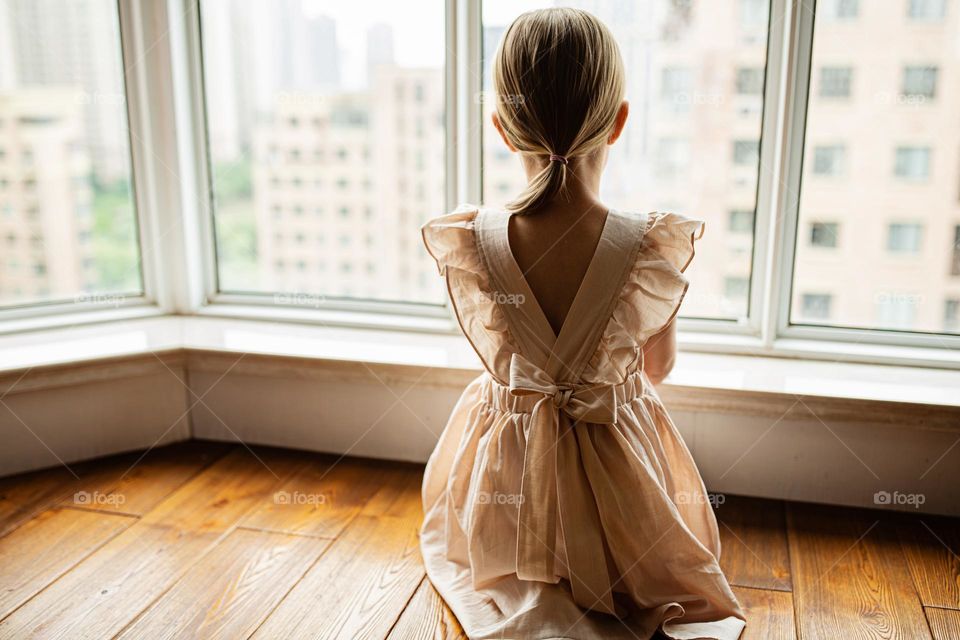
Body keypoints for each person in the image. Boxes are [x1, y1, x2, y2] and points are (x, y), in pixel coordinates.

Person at [419, 8, 746, 639]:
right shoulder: (647, 245)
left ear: (504, 130)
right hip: (613, 478)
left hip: (509, 490)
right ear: (619, 121)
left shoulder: (473, 240)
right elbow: (657, 368)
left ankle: (527, 566)